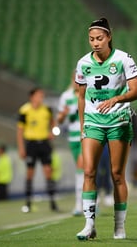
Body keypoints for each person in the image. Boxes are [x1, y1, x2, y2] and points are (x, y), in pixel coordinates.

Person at [75, 17, 137, 240]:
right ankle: (89, 225)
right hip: (93, 122)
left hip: (118, 121)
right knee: (88, 171)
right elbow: (81, 96)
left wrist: (116, 99)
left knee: (117, 175)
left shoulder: (124, 59)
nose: (95, 43)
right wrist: (83, 125)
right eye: (91, 39)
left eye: (99, 38)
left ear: (109, 37)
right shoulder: (83, 63)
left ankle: (119, 226)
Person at [17, 87, 58, 212]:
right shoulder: (24, 110)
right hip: (31, 144)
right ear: (32, 96)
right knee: (30, 173)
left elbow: (53, 124)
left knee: (48, 171)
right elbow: (20, 131)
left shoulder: (47, 110)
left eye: (42, 95)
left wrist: (53, 132)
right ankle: (28, 203)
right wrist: (21, 148)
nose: (41, 97)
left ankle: (52, 202)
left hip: (44, 143)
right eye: (39, 95)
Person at [56, 72, 85, 216]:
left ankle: (80, 204)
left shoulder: (88, 93)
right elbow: (59, 120)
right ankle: (93, 199)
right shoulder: (66, 96)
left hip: (86, 136)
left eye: (78, 79)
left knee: (82, 168)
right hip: (72, 137)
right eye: (74, 79)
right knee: (84, 170)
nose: (76, 81)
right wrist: (63, 114)